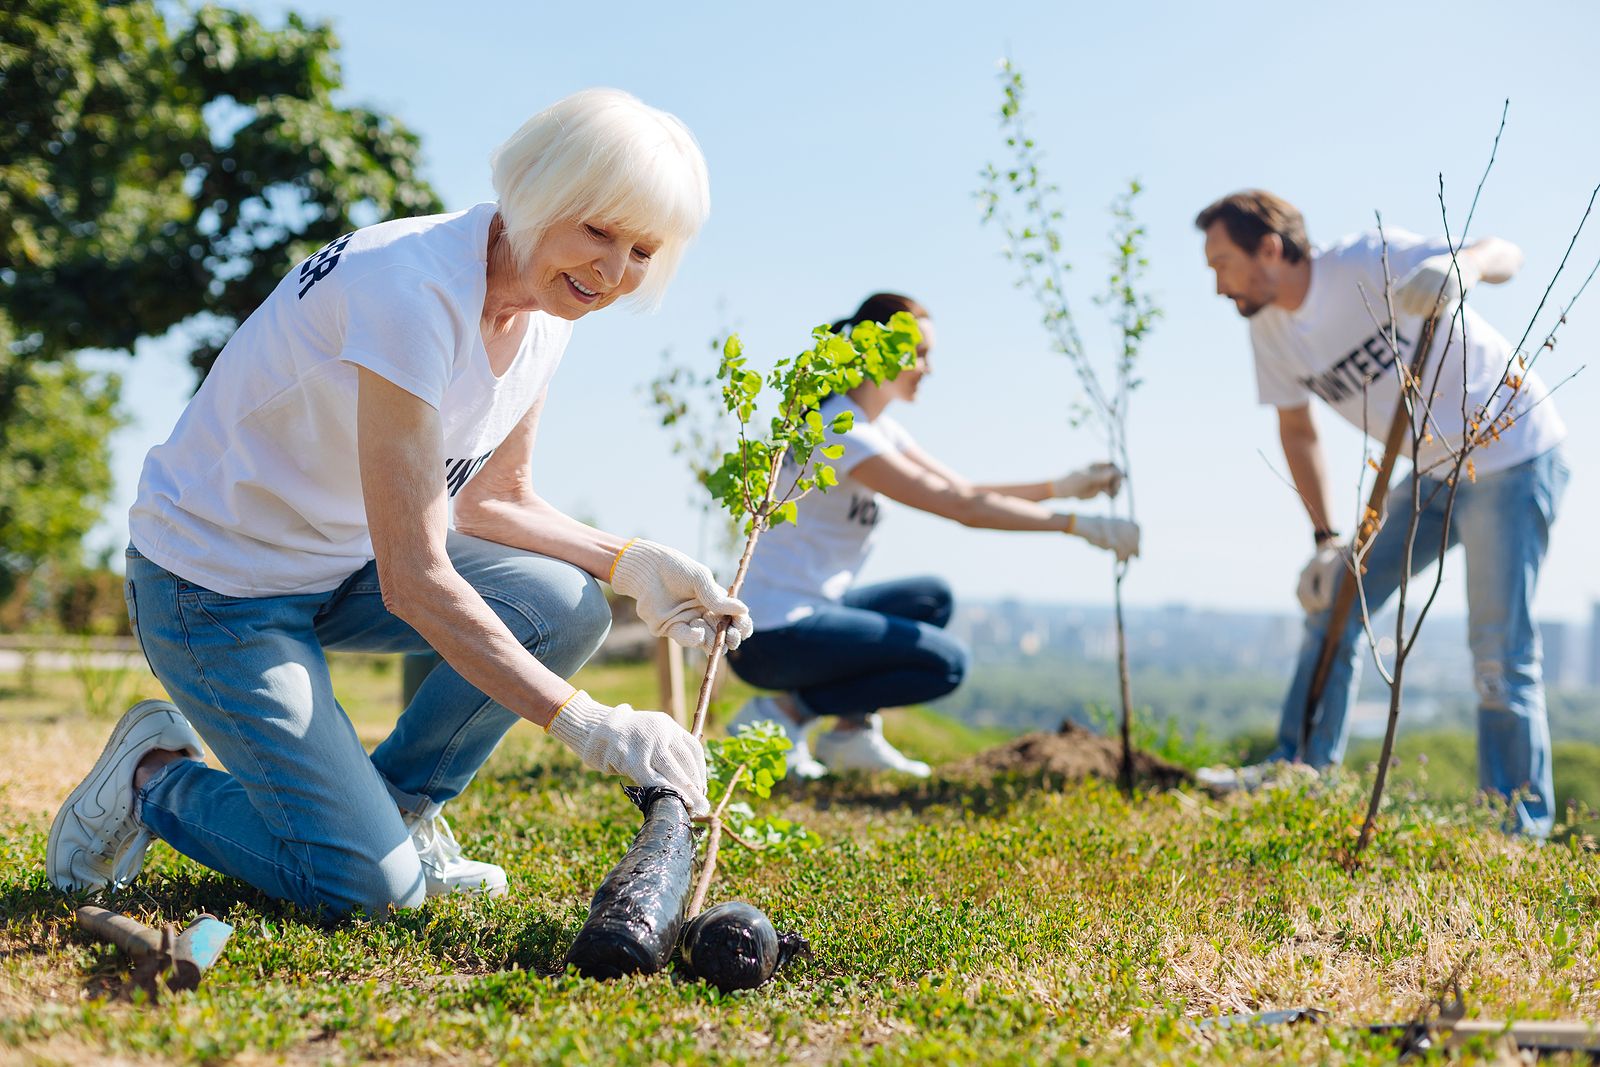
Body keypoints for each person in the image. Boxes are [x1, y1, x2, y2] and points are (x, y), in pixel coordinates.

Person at [46, 89, 753, 917]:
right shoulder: (409, 289)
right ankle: (153, 779)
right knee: (366, 894)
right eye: (597, 230)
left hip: (340, 564)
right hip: (214, 591)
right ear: (536, 193)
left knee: (564, 603)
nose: (611, 271)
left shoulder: (545, 307)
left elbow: (493, 500)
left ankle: (400, 813)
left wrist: (632, 564)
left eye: (641, 249)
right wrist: (592, 727)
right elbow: (415, 579)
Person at [1192, 190, 1569, 836]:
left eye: (1223, 262)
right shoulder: (1270, 330)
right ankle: (1299, 767)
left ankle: (1516, 823)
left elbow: (1508, 251)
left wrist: (1464, 267)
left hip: (1511, 453)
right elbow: (1298, 430)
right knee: (1340, 593)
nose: (1217, 285)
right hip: (1430, 470)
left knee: (1499, 648)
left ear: (1271, 249)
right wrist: (1324, 537)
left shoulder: (1368, 261)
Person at [724, 293, 1141, 778]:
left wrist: (1063, 487)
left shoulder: (874, 428)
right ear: (876, 350)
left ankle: (849, 735)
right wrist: (1079, 527)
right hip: (769, 637)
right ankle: (783, 713)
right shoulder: (846, 434)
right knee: (946, 663)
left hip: (810, 612)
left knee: (930, 597)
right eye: (919, 354)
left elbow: (961, 489)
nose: (929, 368)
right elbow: (962, 509)